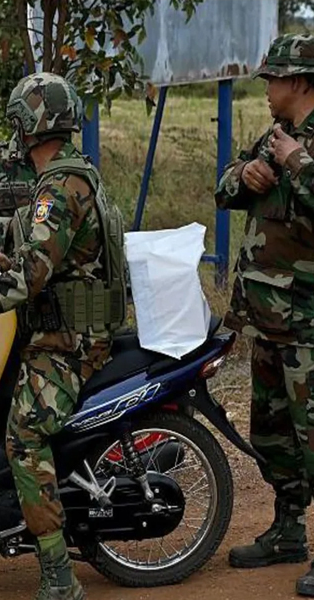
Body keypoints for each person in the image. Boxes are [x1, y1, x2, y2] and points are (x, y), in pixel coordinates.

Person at [0, 72, 127, 600]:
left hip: (70, 339)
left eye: (18, 121)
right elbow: (51, 253)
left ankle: (59, 575)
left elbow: (33, 277)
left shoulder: (58, 186)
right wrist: (8, 256)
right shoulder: (73, 174)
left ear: (29, 126)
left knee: (24, 437)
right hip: (70, 326)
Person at [215, 33, 314, 597]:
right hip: (267, 318)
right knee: (275, 435)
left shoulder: (299, 144)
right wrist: (244, 176)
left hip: (308, 322)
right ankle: (287, 530)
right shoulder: (275, 135)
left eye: (274, 80)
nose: (268, 90)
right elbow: (226, 182)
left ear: (299, 81)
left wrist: (293, 161)